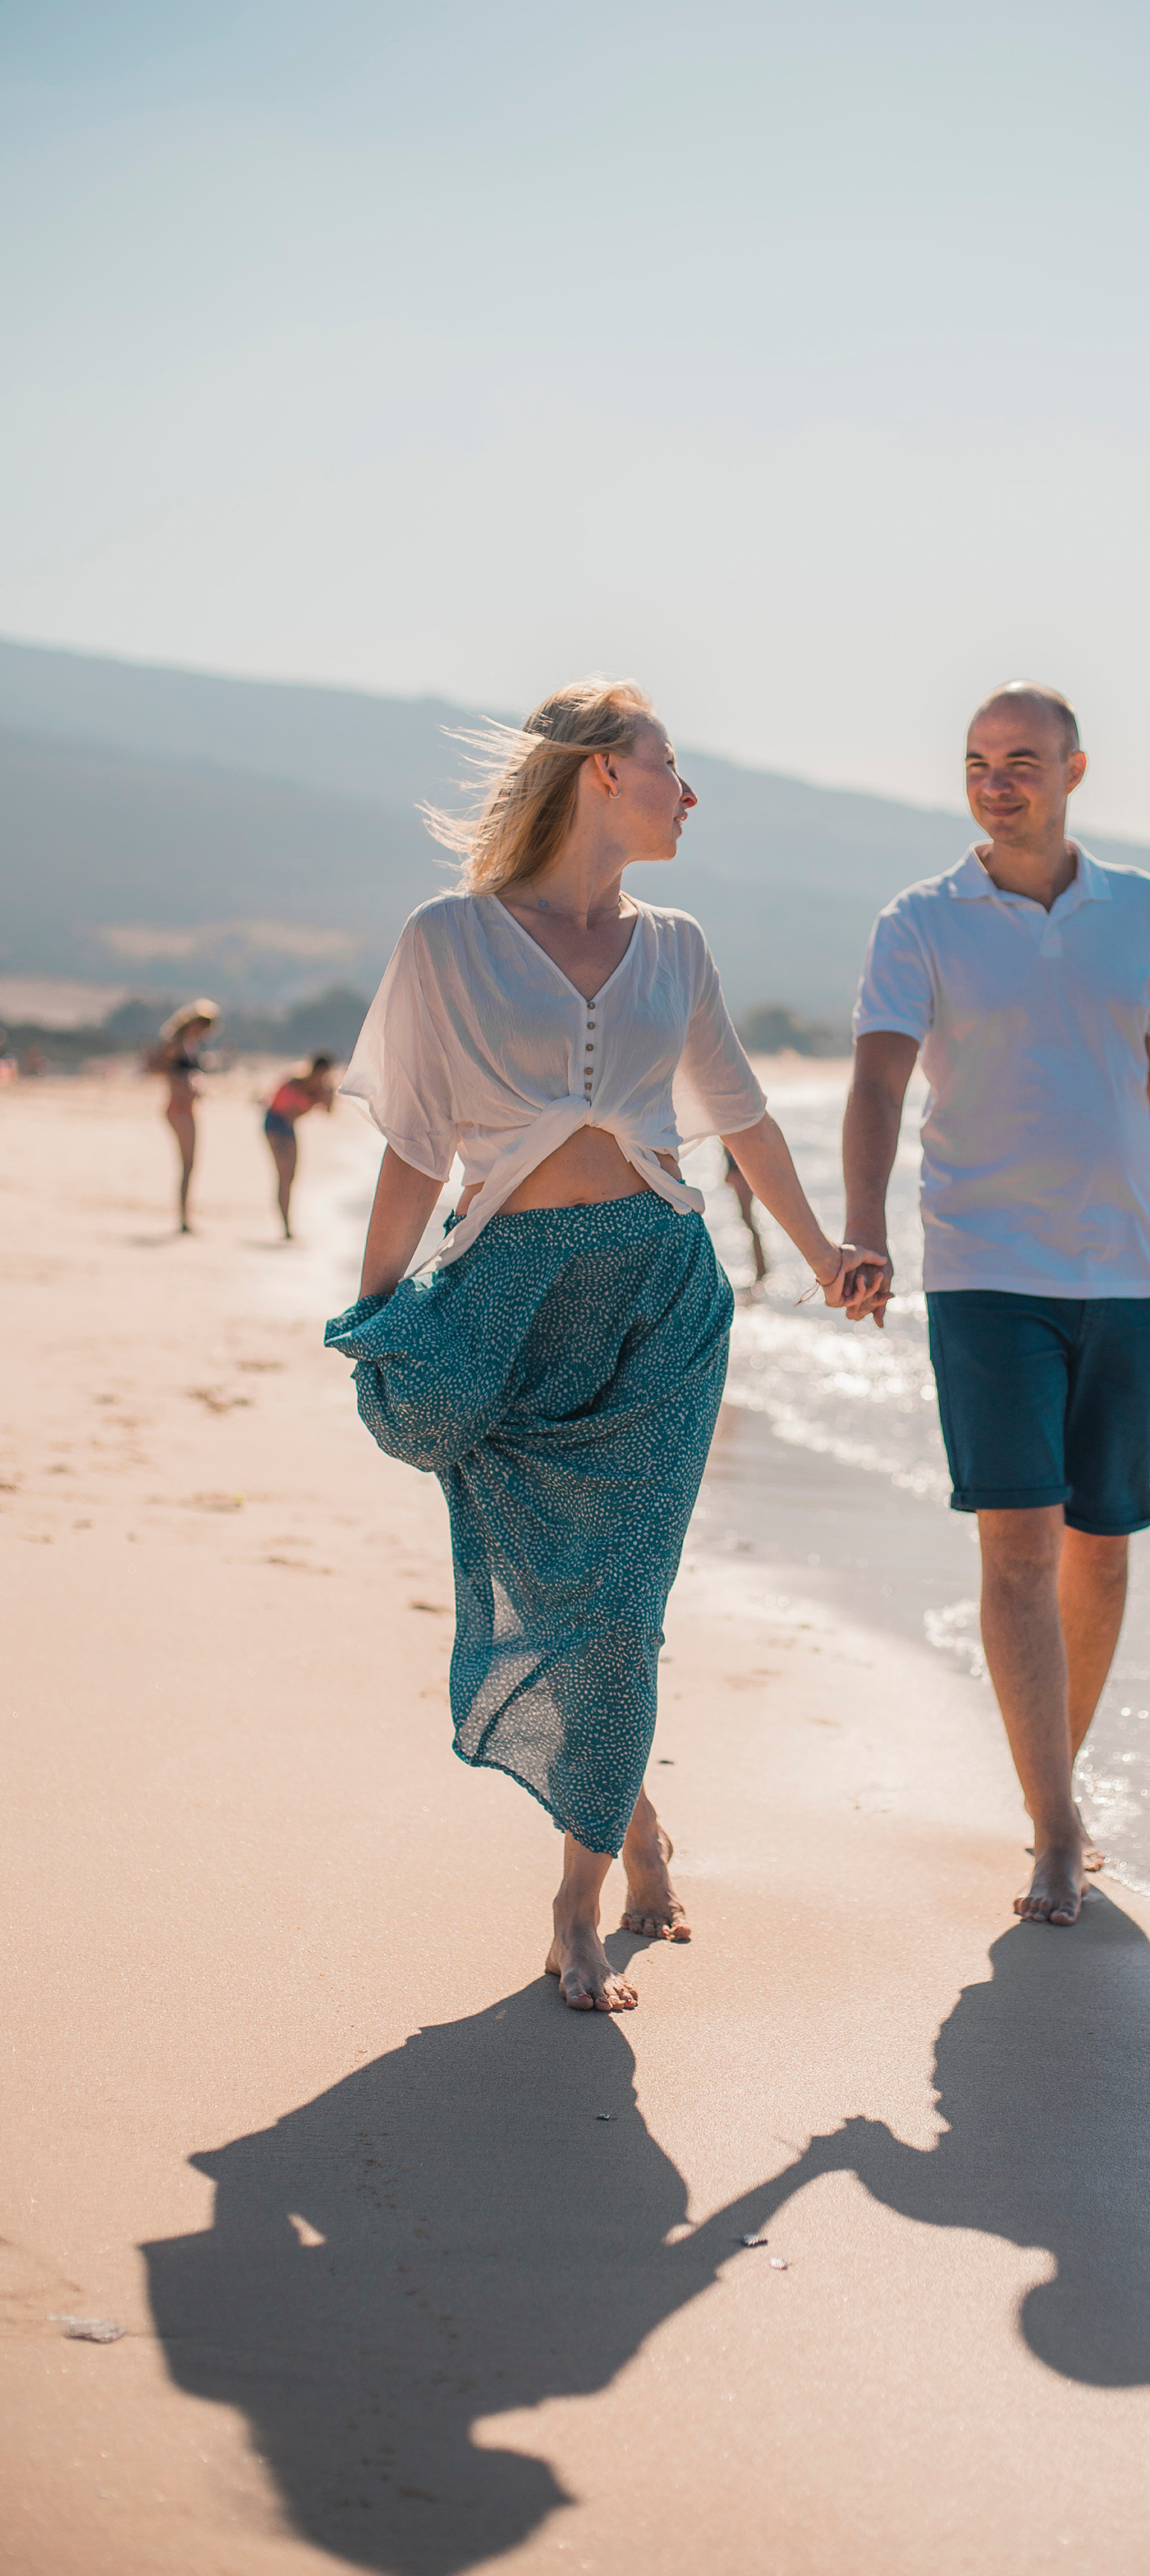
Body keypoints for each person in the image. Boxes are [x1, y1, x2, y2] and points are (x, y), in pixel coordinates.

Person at [327, 680, 884, 2015]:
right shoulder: (448, 937)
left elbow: (738, 1117)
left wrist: (820, 1251)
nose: (688, 793)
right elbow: (413, 1146)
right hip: (507, 1310)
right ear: (595, 775)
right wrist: (378, 1313)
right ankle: (635, 1829)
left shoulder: (675, 945)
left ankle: (575, 1911)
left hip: (659, 1304)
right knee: (571, 1603)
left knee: (621, 1608)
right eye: (668, 766)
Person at [841, 681, 1150, 1932]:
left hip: (1124, 1274)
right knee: (1018, 1549)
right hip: (986, 1269)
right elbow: (879, 1086)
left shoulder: (1143, 912)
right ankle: (1057, 1826)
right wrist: (866, 1225)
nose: (997, 781)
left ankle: (1051, 1778)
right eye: (976, 762)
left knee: (1103, 1548)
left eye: (1021, 760)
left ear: (1074, 770)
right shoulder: (921, 920)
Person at [146, 1000, 222, 1232]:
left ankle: (186, 1216)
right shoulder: (176, 1043)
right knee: (187, 1164)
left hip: (186, 1107)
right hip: (177, 1107)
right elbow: (153, 1068)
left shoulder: (188, 1044)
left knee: (190, 1165)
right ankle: (183, 1219)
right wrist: (182, 1079)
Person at [262, 1052, 339, 1238]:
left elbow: (329, 1112)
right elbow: (289, 1114)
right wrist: (314, 1101)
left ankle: (288, 1224)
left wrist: (329, 1096)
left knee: (291, 1177)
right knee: (284, 1175)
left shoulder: (319, 1089)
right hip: (275, 1123)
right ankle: (285, 1226)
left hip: (289, 1127)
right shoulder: (293, 1084)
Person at [722, 1144, 770, 1289]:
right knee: (748, 1222)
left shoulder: (731, 1125)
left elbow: (738, 1154)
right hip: (739, 1172)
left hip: (741, 1174)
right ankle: (761, 1270)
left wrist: (731, 1170)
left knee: (749, 1222)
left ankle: (762, 1271)